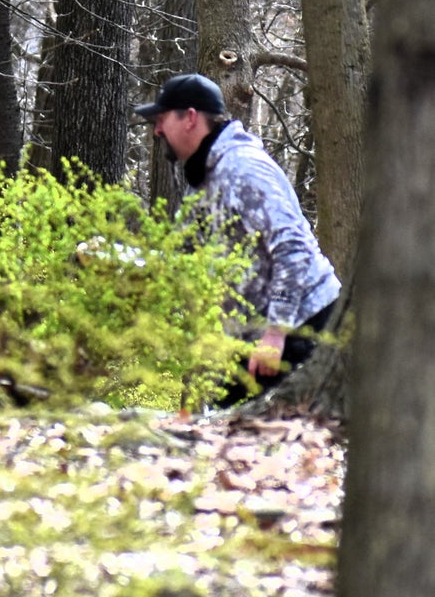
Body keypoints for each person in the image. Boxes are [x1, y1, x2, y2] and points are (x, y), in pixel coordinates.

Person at [134, 72, 341, 406]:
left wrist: (276, 333)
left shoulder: (243, 168)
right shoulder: (204, 179)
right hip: (257, 340)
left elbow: (293, 248)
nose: (157, 130)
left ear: (190, 118)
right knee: (223, 424)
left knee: (255, 432)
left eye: (162, 119)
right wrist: (121, 263)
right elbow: (183, 261)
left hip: (301, 328)